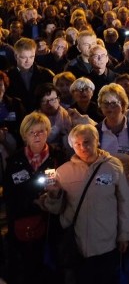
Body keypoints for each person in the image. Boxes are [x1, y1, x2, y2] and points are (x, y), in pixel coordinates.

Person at [41, 124, 129, 284]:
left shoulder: (113, 166)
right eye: (77, 144)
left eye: (87, 141)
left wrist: (124, 234)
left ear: (97, 140)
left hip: (107, 243)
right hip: (77, 246)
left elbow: (124, 201)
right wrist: (53, 195)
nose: (82, 147)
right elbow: (55, 210)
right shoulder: (63, 172)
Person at [3, 111, 66, 283]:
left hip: (51, 228)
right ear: (24, 135)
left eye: (41, 131)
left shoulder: (58, 156)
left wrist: (54, 194)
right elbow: (10, 195)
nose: (37, 136)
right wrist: (34, 202)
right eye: (32, 132)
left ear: (48, 132)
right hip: (25, 227)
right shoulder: (14, 160)